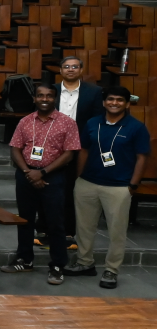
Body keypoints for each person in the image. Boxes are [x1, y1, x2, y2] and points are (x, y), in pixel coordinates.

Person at [67, 86, 150, 289]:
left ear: (127, 104)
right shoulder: (92, 123)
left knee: (116, 231)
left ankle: (111, 270)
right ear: (104, 102)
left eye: (120, 100)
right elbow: (84, 150)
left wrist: (133, 185)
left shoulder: (136, 127)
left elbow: (142, 157)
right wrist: (79, 178)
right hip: (88, 183)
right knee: (84, 227)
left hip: (119, 187)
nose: (114, 103)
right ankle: (85, 262)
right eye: (111, 99)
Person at [1, 83, 79, 283]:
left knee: (55, 222)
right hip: (26, 174)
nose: (45, 99)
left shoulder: (67, 122)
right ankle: (25, 259)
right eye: (40, 95)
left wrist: (42, 172)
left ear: (55, 98)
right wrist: (28, 172)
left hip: (53, 176)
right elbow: (15, 148)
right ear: (34, 98)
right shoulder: (25, 121)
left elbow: (69, 153)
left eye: (49, 96)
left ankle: (57, 265)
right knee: (25, 219)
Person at [51, 55, 106, 247]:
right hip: (53, 147)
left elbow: (97, 120)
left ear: (81, 70)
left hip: (80, 147)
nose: (71, 69)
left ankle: (69, 231)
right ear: (60, 70)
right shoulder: (51, 90)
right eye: (66, 66)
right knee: (50, 188)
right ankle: (46, 228)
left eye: (75, 67)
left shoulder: (94, 92)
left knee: (72, 189)